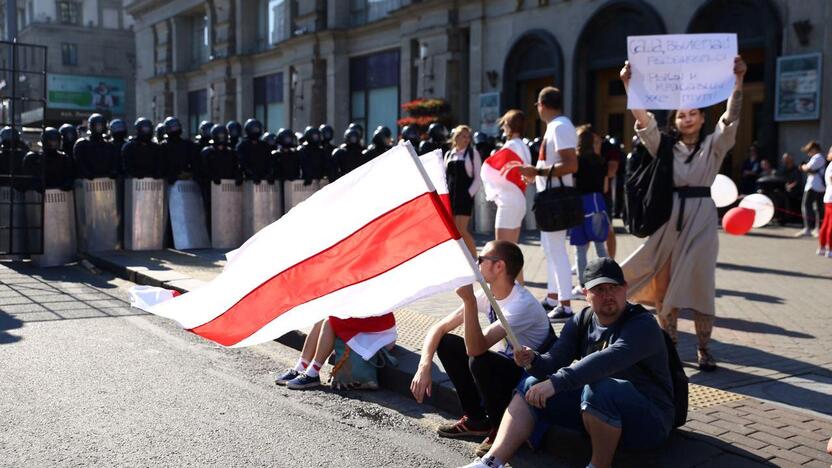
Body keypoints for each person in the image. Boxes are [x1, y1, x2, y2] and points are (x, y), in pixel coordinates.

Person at [463, 258, 673, 468]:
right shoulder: (582, 320)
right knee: (531, 383)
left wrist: (555, 383)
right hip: (601, 415)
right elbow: (555, 359)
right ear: (585, 293)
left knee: (599, 388)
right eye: (599, 289)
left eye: (614, 287)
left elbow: (607, 360)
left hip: (651, 421)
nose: (608, 295)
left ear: (625, 288)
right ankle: (491, 461)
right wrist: (534, 359)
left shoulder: (642, 324)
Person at [617, 56, 747, 371]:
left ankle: (704, 349)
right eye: (681, 115)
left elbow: (730, 119)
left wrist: (738, 81)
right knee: (665, 281)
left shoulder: (714, 146)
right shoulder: (664, 147)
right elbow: (644, 121)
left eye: (692, 114)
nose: (686, 119)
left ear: (702, 119)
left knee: (702, 283)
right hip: (670, 220)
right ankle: (670, 346)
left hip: (702, 219)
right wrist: (628, 84)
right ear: (675, 121)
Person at [411, 240, 552, 457]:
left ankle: (499, 428)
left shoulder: (521, 304)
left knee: (479, 360)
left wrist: (469, 302)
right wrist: (424, 364)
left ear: (499, 266)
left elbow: (476, 349)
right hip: (510, 364)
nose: (475, 264)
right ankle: (476, 420)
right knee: (448, 343)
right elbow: (439, 327)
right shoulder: (489, 292)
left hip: (531, 374)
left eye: (480, 259)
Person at [515, 87, 578, 319]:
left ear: (541, 105)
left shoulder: (559, 127)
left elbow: (571, 164)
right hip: (551, 196)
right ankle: (554, 298)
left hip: (556, 198)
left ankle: (565, 303)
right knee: (550, 249)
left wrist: (537, 171)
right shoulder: (558, 126)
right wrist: (538, 174)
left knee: (557, 250)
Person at [275, 313, 396, 390]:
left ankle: (313, 373)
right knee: (322, 315)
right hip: (365, 316)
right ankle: (300, 367)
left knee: (329, 321)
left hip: (379, 326)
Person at [482, 110, 530, 283]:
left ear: (508, 125)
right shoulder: (523, 146)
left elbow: (489, 168)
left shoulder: (510, 146)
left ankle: (508, 296)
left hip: (509, 201)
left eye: (504, 124)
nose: (502, 127)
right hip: (518, 200)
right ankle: (521, 293)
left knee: (502, 252)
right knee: (512, 253)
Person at [569, 125, 609, 298]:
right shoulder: (601, 161)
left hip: (579, 205)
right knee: (600, 244)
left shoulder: (575, 161)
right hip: (597, 202)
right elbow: (606, 187)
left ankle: (582, 285)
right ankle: (608, 277)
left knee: (580, 248)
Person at [445, 125, 482, 256]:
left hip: (464, 197)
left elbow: (478, 178)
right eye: (463, 136)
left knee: (461, 230)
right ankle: (462, 259)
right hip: (451, 197)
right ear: (456, 137)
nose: (466, 139)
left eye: (468, 137)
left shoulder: (473, 154)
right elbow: (445, 176)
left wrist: (468, 194)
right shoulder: (449, 154)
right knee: (453, 232)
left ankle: (476, 258)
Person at [73, 114, 120, 180]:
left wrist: (113, 171)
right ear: (92, 126)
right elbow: (79, 163)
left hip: (107, 181)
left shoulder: (110, 145)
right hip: (88, 182)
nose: (99, 128)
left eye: (101, 125)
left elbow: (114, 162)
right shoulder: (81, 144)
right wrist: (86, 173)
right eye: (97, 125)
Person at [796, 140, 826, 237]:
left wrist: (803, 166)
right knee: (818, 208)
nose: (808, 153)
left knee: (806, 206)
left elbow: (808, 168)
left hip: (813, 186)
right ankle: (817, 229)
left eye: (809, 150)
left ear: (814, 149)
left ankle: (808, 228)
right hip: (820, 187)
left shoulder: (817, 157)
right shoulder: (820, 158)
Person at [817, 145, 832, 257]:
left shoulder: (830, 165)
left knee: (826, 223)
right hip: (831, 199)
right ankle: (829, 249)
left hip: (828, 198)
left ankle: (822, 247)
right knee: (829, 224)